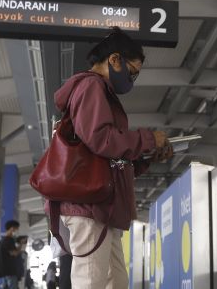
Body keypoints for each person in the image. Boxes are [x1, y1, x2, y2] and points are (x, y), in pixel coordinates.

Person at [46, 27, 172, 288]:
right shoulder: (92, 86)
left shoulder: (98, 92)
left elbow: (108, 160)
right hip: (89, 206)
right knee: (91, 280)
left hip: (102, 207)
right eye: (132, 72)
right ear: (114, 60)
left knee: (116, 281)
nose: (132, 80)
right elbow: (101, 139)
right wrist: (148, 138)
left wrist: (145, 158)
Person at [0, 220, 21, 289]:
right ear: (12, 228)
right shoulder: (9, 240)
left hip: (5, 270)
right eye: (16, 228)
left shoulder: (2, 240)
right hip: (10, 271)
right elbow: (14, 253)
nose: (16, 230)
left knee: (5, 286)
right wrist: (21, 244)